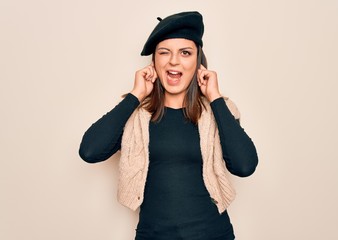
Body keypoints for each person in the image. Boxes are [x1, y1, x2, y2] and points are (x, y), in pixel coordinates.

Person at [79, 11, 258, 240]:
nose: (174, 61)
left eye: (185, 53)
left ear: (198, 63)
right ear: (154, 63)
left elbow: (245, 166)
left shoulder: (220, 110)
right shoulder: (136, 114)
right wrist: (136, 95)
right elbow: (89, 151)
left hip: (213, 234)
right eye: (165, 53)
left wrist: (214, 97)